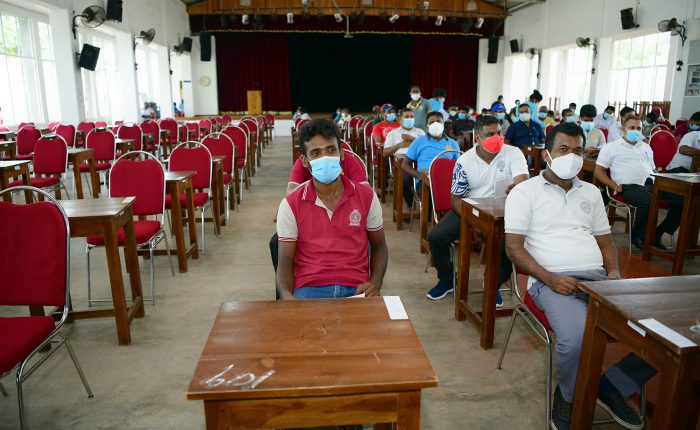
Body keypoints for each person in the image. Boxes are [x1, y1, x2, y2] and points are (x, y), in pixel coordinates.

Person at [505, 122, 654, 430]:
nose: (571, 157)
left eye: (578, 151)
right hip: (552, 282)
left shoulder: (591, 192)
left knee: (661, 333)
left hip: (598, 279)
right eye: (563, 149)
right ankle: (569, 396)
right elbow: (514, 249)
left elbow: (606, 241)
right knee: (575, 340)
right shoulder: (524, 192)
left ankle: (610, 385)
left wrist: (614, 273)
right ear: (546, 154)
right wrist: (549, 278)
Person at [275, 119, 388, 300]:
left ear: (341, 154)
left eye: (331, 150)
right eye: (316, 153)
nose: (325, 158)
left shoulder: (366, 196)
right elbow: (285, 262)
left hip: (357, 288)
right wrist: (287, 296)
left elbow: (379, 246)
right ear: (305, 161)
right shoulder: (291, 204)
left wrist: (375, 283)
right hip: (309, 288)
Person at [427, 115, 528, 301]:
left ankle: (493, 284)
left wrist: (518, 187)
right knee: (436, 236)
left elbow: (522, 182)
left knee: (509, 241)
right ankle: (447, 280)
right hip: (471, 209)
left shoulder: (513, 153)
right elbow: (456, 199)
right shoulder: (465, 161)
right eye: (490, 134)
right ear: (478, 138)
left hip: (505, 211)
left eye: (499, 133)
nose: (497, 138)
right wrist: (472, 223)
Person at [594, 115, 684, 249]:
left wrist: (662, 179)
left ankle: (657, 234)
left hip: (652, 183)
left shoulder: (646, 147)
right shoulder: (611, 147)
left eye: (639, 128)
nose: (636, 131)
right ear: (623, 129)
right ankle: (638, 236)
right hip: (628, 186)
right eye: (632, 128)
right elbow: (598, 171)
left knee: (683, 200)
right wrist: (614, 186)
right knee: (648, 202)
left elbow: (653, 168)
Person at [401, 111, 460, 207]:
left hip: (447, 180)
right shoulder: (418, 141)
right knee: (432, 194)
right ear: (427, 125)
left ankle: (448, 214)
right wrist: (419, 175)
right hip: (425, 181)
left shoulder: (453, 143)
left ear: (443, 124)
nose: (435, 124)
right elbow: (404, 164)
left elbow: (458, 165)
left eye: (438, 121)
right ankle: (431, 216)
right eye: (432, 122)